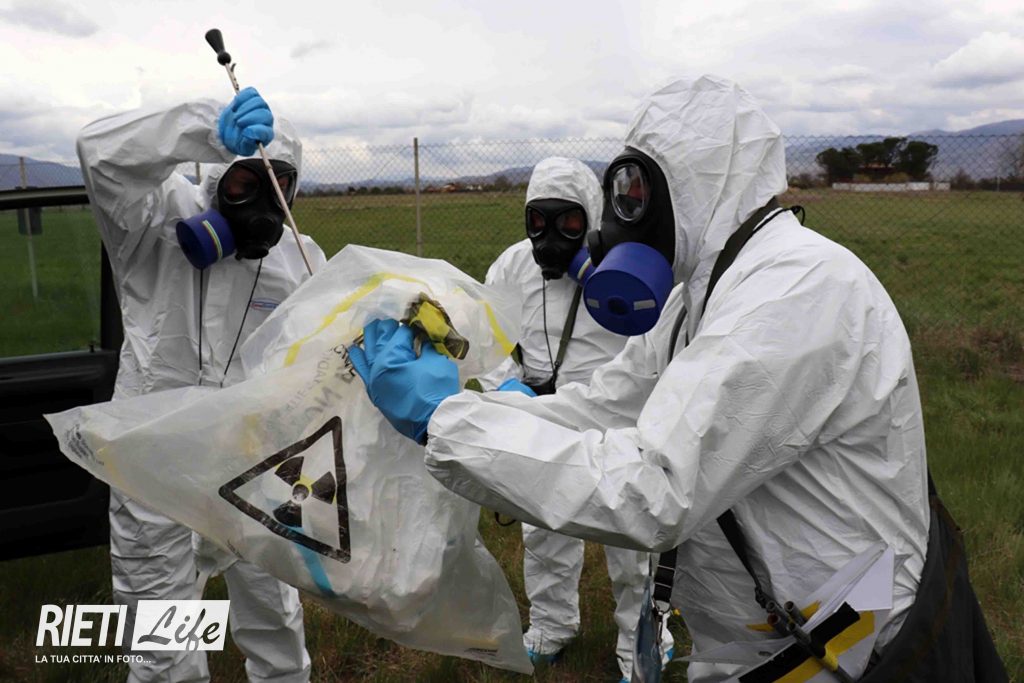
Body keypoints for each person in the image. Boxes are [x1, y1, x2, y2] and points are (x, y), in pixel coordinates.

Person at [349, 75, 1005, 681]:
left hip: (856, 652)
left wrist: (444, 422)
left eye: (634, 191)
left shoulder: (798, 290)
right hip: (772, 642)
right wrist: (478, 408)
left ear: (698, 180)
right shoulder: (705, 292)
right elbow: (608, 404)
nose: (621, 216)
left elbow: (652, 487)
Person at [77, 87, 325, 683]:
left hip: (254, 462)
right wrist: (208, 127)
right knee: (161, 626)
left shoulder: (297, 259)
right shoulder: (153, 222)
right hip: (153, 461)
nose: (261, 202)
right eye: (244, 183)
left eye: (277, 185)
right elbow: (99, 152)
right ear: (215, 177)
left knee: (273, 606)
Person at [479, 156, 672, 681]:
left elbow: (652, 345)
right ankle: (551, 625)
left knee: (629, 538)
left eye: (567, 221)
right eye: (538, 220)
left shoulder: (621, 272)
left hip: (614, 416)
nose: (550, 236)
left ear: (590, 217)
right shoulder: (512, 267)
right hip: (542, 414)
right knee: (544, 528)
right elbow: (490, 335)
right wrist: (508, 385)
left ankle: (643, 642)